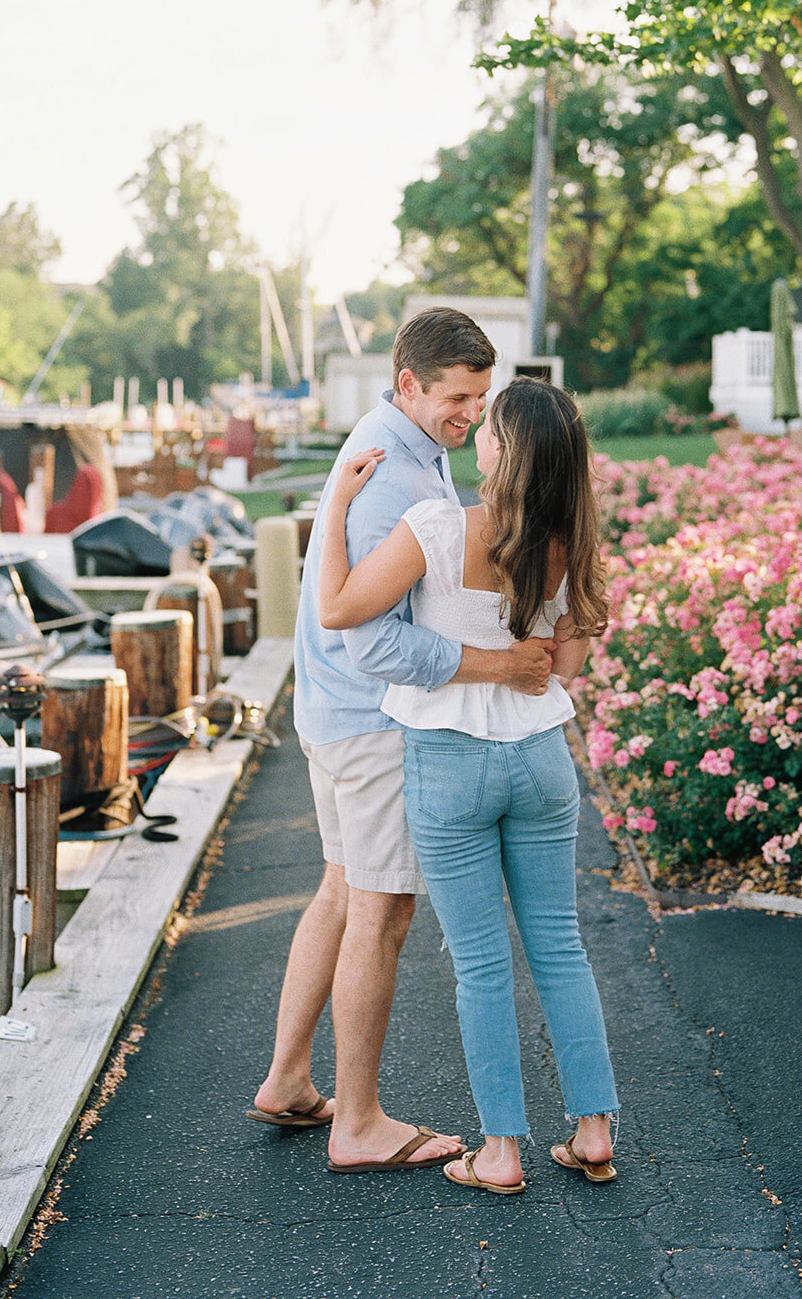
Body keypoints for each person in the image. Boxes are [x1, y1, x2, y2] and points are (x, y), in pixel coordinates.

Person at [250, 309, 556, 1173]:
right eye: (457, 397)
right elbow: (372, 639)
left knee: (344, 892)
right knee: (383, 911)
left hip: (333, 715)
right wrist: (492, 666)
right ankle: (358, 1124)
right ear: (410, 382)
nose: (471, 414)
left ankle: (286, 1082)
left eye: (480, 398)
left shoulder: (407, 444)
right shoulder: (395, 476)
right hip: (371, 721)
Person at [317, 376, 619, 1194]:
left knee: (480, 963)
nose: (475, 434)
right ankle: (592, 1132)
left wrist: (334, 511)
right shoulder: (573, 544)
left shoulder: (437, 527)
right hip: (541, 762)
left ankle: (501, 1153)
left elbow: (338, 609)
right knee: (558, 947)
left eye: (487, 426)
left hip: (448, 760)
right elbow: (566, 666)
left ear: (502, 451)